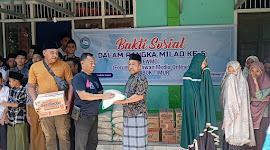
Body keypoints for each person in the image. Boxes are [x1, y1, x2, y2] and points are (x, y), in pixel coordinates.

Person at [28, 42, 74, 150]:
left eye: (57, 53)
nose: (55, 55)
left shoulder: (64, 65)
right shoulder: (35, 67)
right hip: (44, 107)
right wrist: (36, 102)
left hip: (61, 107)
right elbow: (31, 87)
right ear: (44, 53)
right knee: (49, 137)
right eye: (52, 52)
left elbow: (71, 85)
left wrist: (68, 102)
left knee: (64, 136)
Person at [72, 53, 114, 150]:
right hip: (83, 116)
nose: (93, 65)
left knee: (92, 143)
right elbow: (83, 95)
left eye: (94, 63)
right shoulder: (79, 77)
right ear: (82, 63)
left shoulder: (95, 78)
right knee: (81, 144)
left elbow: (99, 92)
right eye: (91, 63)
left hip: (94, 115)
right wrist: (103, 96)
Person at [180, 53, 219, 150]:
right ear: (198, 63)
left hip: (204, 110)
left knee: (206, 132)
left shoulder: (204, 75)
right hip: (194, 111)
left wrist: (206, 75)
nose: (206, 65)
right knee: (197, 134)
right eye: (204, 63)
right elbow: (193, 96)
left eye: (206, 63)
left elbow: (207, 94)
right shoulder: (188, 76)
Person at [114, 53, 149, 150]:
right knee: (129, 145)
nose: (130, 67)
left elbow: (139, 95)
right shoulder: (131, 77)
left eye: (133, 64)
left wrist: (123, 101)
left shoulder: (141, 77)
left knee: (139, 145)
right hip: (129, 115)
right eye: (129, 64)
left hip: (138, 115)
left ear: (140, 66)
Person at [220, 61, 256, 150]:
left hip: (239, 117)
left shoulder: (242, 82)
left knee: (236, 138)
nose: (231, 74)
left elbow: (240, 101)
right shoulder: (226, 81)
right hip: (229, 115)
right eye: (229, 71)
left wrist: (233, 112)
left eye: (234, 71)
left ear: (238, 71)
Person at [1, 71, 28, 150]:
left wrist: (6, 104)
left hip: (20, 120)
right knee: (11, 142)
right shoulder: (11, 90)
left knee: (21, 142)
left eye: (10, 81)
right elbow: (8, 105)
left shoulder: (23, 90)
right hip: (11, 120)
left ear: (16, 81)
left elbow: (20, 104)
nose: (9, 83)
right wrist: (5, 115)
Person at [246, 62, 270, 150]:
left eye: (257, 71)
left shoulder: (267, 82)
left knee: (260, 137)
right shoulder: (247, 81)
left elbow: (259, 96)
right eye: (252, 71)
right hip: (250, 113)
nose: (254, 73)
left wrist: (256, 82)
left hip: (263, 113)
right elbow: (245, 97)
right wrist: (256, 99)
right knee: (250, 137)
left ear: (262, 71)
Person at [26, 48, 46, 150]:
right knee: (34, 131)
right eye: (33, 58)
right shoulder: (28, 83)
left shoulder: (44, 79)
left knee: (44, 130)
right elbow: (27, 99)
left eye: (37, 57)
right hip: (31, 107)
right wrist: (27, 114)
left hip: (43, 107)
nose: (35, 59)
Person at [65, 57, 80, 150]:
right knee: (69, 135)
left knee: (78, 135)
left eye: (70, 66)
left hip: (79, 111)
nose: (68, 69)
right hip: (67, 111)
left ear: (76, 66)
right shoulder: (65, 81)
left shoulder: (81, 78)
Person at [0, 73, 9, 150]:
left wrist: (4, 116)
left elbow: (9, 104)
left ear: (1, 80)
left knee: (4, 142)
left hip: (4, 118)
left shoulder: (7, 89)